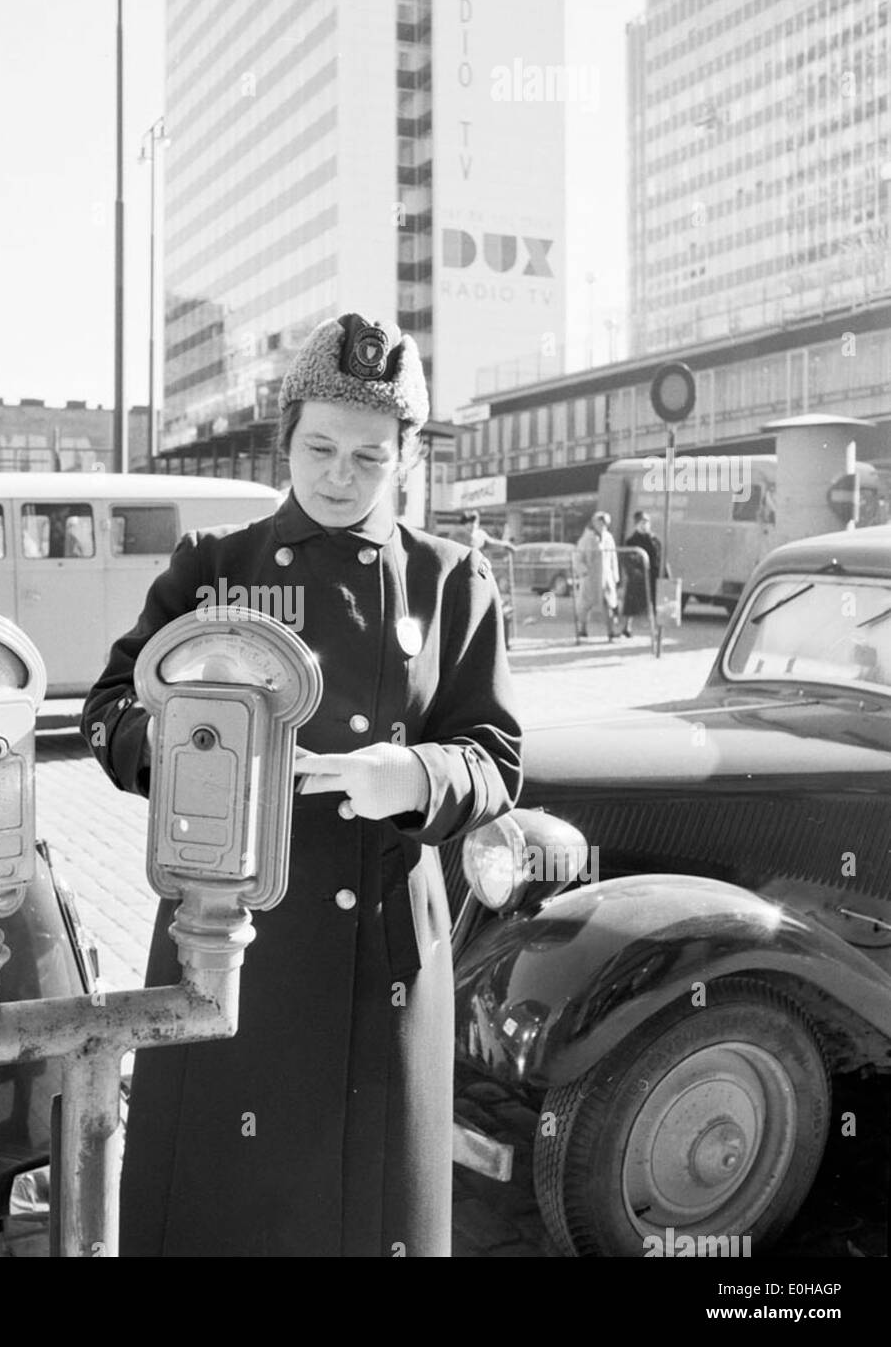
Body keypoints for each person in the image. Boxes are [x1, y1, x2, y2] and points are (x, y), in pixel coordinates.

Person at [81, 312, 522, 1257]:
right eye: (319, 447)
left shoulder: (455, 582)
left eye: (370, 456)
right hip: (232, 936)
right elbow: (109, 710)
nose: (339, 475)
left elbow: (495, 757)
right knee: (222, 1211)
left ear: (405, 460)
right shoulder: (216, 568)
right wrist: (192, 751)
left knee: (370, 1219)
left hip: (385, 951)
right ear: (284, 439)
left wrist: (413, 773)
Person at [573, 510, 620, 641]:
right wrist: (584, 572)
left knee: (609, 604)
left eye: (604, 522)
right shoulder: (586, 538)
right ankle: (582, 629)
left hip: (606, 576)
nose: (602, 525)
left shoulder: (609, 538)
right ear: (594, 523)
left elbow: (613, 557)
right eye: (599, 522)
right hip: (590, 577)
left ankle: (611, 631)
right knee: (585, 604)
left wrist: (615, 575)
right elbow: (578, 558)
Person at [620, 510, 667, 639]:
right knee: (631, 603)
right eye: (642, 522)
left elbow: (661, 558)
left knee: (656, 604)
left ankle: (656, 630)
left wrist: (666, 574)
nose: (644, 525)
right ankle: (627, 627)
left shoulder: (654, 539)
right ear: (636, 524)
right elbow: (627, 559)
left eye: (646, 522)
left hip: (654, 576)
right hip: (638, 577)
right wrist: (634, 572)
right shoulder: (631, 540)